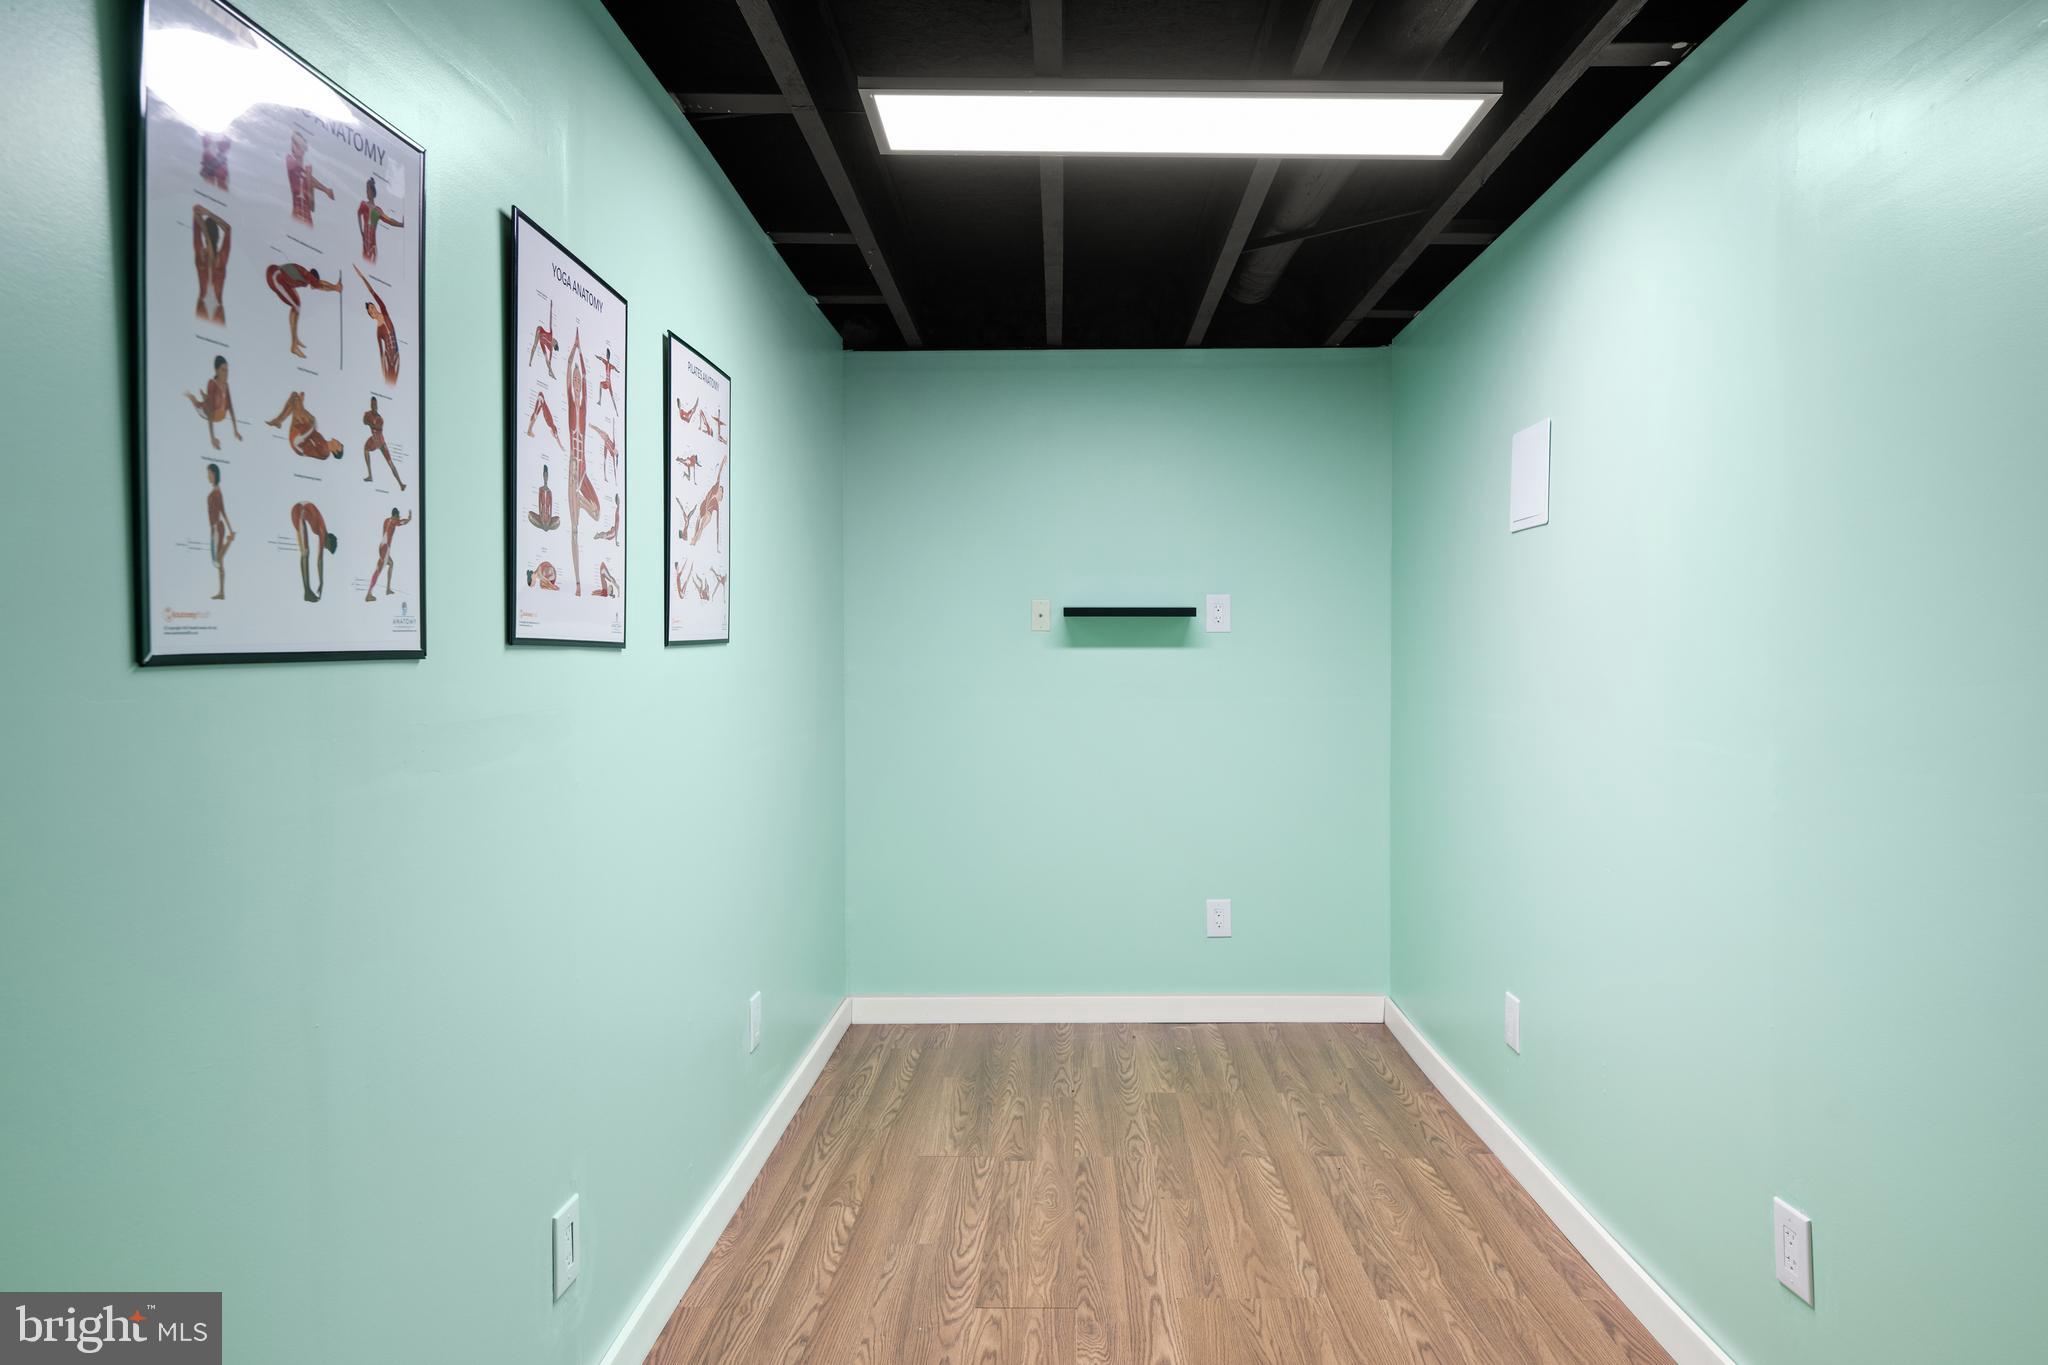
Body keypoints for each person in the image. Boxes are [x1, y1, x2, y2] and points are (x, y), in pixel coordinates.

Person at [564, 329, 598, 595]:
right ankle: (577, 584)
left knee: (596, 512)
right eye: (574, 380)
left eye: (577, 380)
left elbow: (586, 378)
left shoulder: (583, 407)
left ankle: (580, 499)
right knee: (574, 529)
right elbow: (568, 371)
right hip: (573, 467)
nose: (576, 383)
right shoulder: (571, 405)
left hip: (583, 469)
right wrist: (572, 353)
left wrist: (581, 353)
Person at [265, 262, 341, 358]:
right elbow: (321, 285)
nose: (314, 287)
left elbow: (319, 285)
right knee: (296, 306)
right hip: (275, 276)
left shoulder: (305, 277)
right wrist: (335, 287)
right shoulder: (308, 276)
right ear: (314, 278)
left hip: (277, 275)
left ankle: (295, 339)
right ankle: (293, 346)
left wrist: (334, 287)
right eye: (314, 283)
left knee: (297, 304)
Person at [353, 266, 400, 384]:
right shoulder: (378, 331)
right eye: (371, 311)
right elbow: (381, 353)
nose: (373, 310)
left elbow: (372, 292)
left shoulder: (384, 311)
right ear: (371, 315)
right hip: (388, 358)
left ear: (376, 307)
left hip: (397, 355)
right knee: (389, 380)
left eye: (373, 307)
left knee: (395, 380)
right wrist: (383, 373)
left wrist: (362, 277)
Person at [183, 355, 241, 449]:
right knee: (196, 402)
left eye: (227, 370)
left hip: (218, 414)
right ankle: (190, 396)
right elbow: (210, 413)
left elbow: (231, 409)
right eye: (223, 370)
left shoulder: (226, 386)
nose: (226, 374)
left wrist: (235, 431)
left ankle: (205, 397)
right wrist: (212, 438)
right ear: (216, 371)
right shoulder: (212, 383)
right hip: (206, 412)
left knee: (209, 399)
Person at [267, 392, 344, 460]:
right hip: (302, 435)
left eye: (338, 444)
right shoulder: (324, 444)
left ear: (335, 451)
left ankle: (298, 407)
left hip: (299, 441)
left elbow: (310, 441)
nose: (337, 440)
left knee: (299, 403)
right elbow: (312, 435)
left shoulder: (325, 452)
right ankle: (279, 421)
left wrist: (305, 417)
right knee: (294, 397)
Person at [289, 501, 336, 602]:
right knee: (305, 552)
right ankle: (307, 592)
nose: (324, 547)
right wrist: (321, 582)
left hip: (301, 513)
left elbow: (319, 559)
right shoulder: (323, 532)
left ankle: (307, 591)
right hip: (298, 512)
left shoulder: (322, 532)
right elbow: (320, 561)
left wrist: (321, 582)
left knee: (306, 552)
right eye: (327, 547)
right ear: (329, 541)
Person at [191, 206, 231, 323]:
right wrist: (209, 213)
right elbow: (228, 229)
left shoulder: (201, 257)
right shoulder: (221, 259)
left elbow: (195, 214)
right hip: (217, 306)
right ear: (218, 237)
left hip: (204, 303)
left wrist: (205, 230)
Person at [285, 132, 333, 226]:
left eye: (298, 144)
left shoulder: (307, 176)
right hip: (295, 218)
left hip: (307, 223)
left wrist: (324, 190)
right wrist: (324, 189)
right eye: (294, 143)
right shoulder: (289, 160)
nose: (295, 147)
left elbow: (311, 207)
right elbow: (300, 171)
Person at [366, 507, 411, 601]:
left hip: (382, 546)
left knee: (391, 564)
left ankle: (388, 589)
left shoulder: (387, 520)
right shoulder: (394, 521)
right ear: (395, 515)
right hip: (385, 548)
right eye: (398, 516)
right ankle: (369, 594)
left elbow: (397, 522)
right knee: (378, 570)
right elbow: (402, 522)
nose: (398, 517)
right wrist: (409, 518)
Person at [204, 463, 234, 600]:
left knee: (217, 560)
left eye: (209, 473)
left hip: (217, 528)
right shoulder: (216, 491)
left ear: (215, 474)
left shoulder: (217, 492)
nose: (208, 476)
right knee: (220, 564)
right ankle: (221, 592)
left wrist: (230, 530)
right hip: (214, 528)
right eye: (207, 473)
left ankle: (230, 541)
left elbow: (223, 511)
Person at [356, 179, 403, 263]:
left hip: (372, 246)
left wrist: (401, 224)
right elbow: (358, 214)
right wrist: (361, 231)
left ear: (373, 192)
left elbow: (389, 220)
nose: (367, 192)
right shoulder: (363, 204)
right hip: (365, 244)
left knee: (371, 261)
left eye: (368, 190)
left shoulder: (377, 211)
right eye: (366, 190)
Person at [361, 396, 403, 488]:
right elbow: (364, 421)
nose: (373, 406)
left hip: (378, 440)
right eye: (372, 404)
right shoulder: (368, 414)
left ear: (377, 406)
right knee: (367, 449)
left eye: (375, 404)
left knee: (390, 462)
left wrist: (371, 423)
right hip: (378, 440)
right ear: (371, 405)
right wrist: (370, 422)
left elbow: (378, 427)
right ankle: (400, 484)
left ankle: (400, 483)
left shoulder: (379, 418)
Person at [528, 301, 558, 377]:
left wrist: (551, 372)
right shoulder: (551, 334)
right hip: (540, 330)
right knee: (534, 346)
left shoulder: (551, 349)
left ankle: (530, 362)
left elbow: (549, 362)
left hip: (542, 342)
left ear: (555, 344)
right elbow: (550, 321)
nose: (554, 339)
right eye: (555, 339)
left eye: (555, 341)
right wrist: (551, 308)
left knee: (546, 359)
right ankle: (530, 361)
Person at [526, 466, 559, 531]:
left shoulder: (550, 492)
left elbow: (551, 506)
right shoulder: (540, 489)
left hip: (547, 515)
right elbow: (540, 504)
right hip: (542, 514)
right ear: (543, 476)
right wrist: (541, 516)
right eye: (544, 475)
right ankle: (543, 523)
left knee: (557, 520)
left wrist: (549, 519)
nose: (545, 477)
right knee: (531, 515)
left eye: (547, 475)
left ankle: (546, 524)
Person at [595, 347, 620, 411]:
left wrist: (617, 371)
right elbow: (601, 359)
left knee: (612, 397)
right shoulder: (607, 363)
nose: (606, 356)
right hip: (607, 382)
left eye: (607, 354)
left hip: (608, 383)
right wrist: (597, 357)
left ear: (608, 356)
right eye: (606, 354)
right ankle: (600, 401)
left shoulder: (608, 364)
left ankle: (616, 410)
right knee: (601, 384)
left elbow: (615, 369)